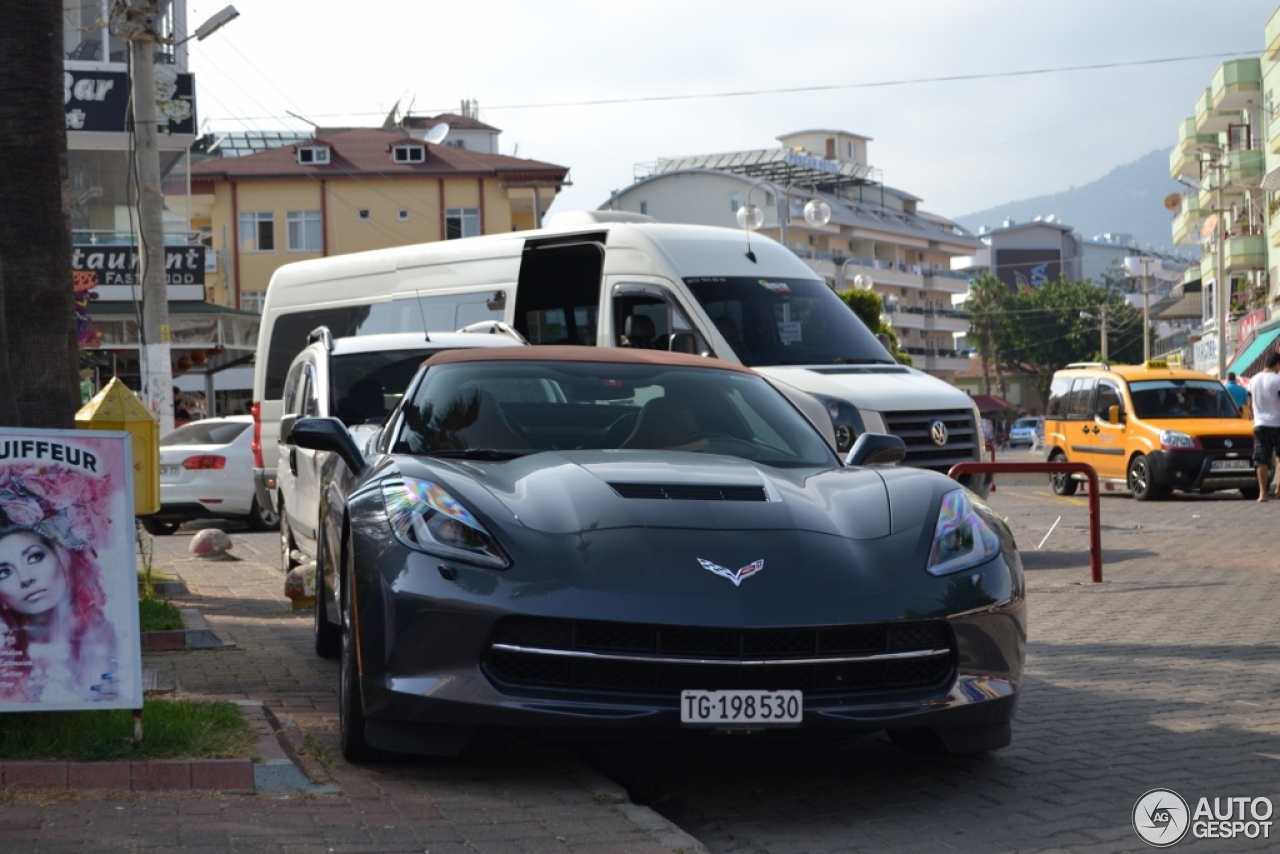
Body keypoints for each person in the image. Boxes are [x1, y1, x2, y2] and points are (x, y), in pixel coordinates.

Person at [0, 464, 118, 702]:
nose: (26, 579)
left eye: (34, 557)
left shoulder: (112, 640)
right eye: (3, 572)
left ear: (61, 556)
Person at [1246, 353, 1280, 503]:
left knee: (1261, 459)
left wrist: (1254, 417)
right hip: (1277, 424)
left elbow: (1248, 403)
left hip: (1259, 424)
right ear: (1276, 364)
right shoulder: (1277, 380)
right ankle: (1279, 488)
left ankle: (1262, 493)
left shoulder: (1253, 380)